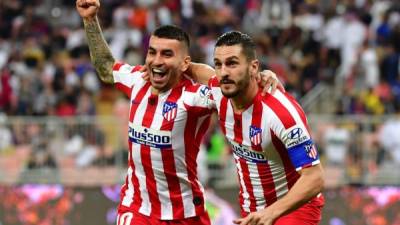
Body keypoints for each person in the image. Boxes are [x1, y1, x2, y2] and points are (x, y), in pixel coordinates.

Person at [75, 1, 282, 224]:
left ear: (185, 63)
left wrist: (258, 77)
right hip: (137, 208)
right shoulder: (137, 80)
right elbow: (106, 69)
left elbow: (232, 87)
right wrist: (89, 20)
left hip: (185, 214)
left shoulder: (196, 97)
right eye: (152, 52)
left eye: (167, 54)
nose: (156, 60)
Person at [192, 31, 325, 225]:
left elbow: (315, 177)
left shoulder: (280, 113)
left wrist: (271, 213)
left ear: (253, 67)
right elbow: (199, 72)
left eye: (232, 63)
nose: (223, 72)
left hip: (294, 209)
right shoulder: (220, 92)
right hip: (252, 211)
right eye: (218, 64)